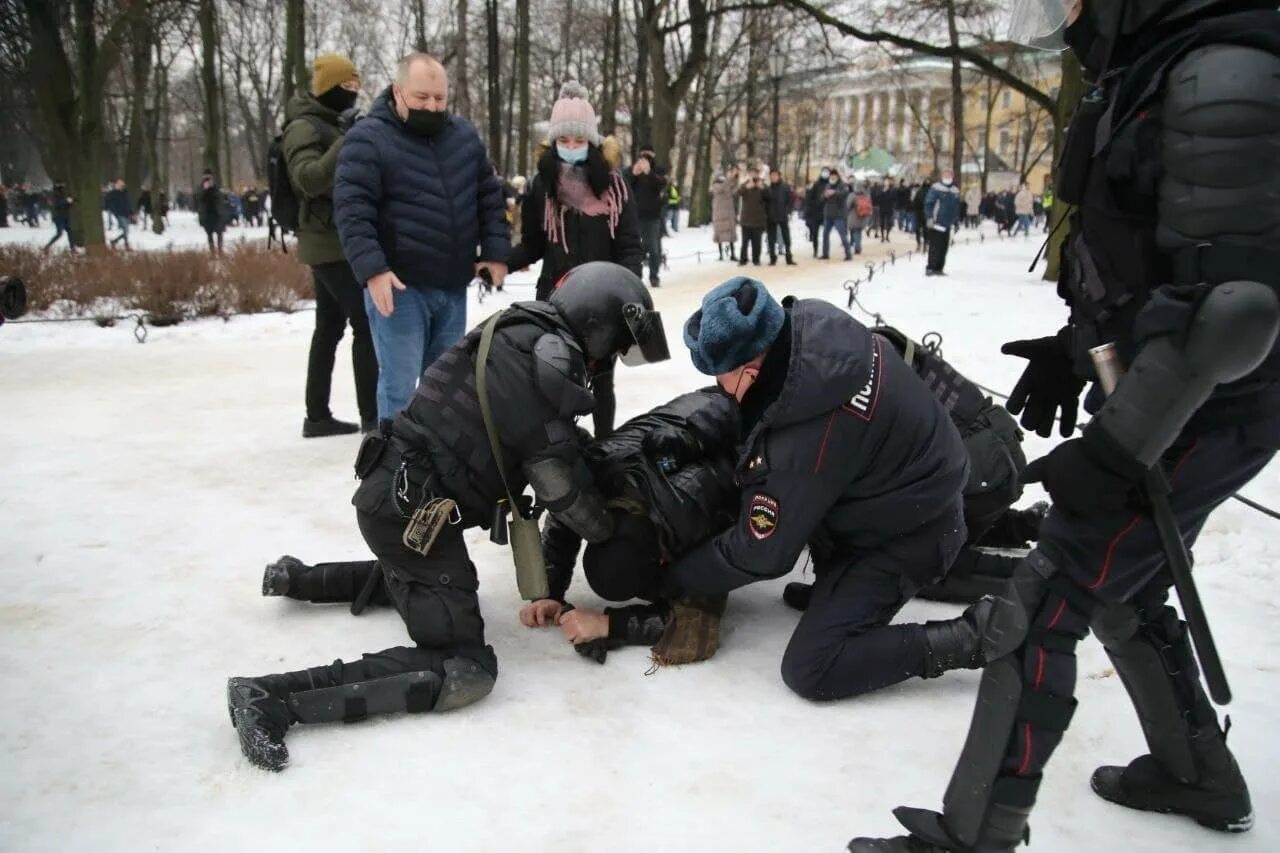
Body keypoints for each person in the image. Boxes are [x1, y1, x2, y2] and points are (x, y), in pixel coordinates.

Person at [850, 0, 1280, 849]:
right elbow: (1159, 260)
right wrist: (1078, 342)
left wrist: (1118, 450)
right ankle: (1197, 773)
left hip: (1205, 404)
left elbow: (1233, 311)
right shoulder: (1162, 57)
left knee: (1044, 599)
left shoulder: (1225, 70)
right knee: (1118, 584)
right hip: (1179, 393)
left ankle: (975, 835)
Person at [228, 263, 671, 772]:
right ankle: (272, 697)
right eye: (615, 343)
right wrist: (619, 531)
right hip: (411, 518)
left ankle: (300, 579)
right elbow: (559, 486)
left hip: (395, 502)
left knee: (419, 577)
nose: (610, 356)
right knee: (465, 667)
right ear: (599, 323)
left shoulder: (521, 332)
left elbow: (547, 438)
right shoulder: (548, 358)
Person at [669, 277, 993, 704]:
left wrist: (676, 576)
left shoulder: (803, 440)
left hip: (909, 534)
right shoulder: (813, 324)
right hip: (913, 492)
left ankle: (974, 636)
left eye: (720, 377)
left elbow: (762, 551)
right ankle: (843, 588)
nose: (720, 388)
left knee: (813, 668)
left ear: (749, 372)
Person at [335, 53, 509, 427]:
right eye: (421, 98)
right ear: (397, 92)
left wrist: (495, 251)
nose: (432, 106)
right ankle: (391, 470)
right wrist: (373, 269)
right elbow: (352, 209)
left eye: (439, 98)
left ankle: (437, 467)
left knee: (444, 389)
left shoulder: (463, 137)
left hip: (450, 284)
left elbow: (488, 196)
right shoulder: (367, 138)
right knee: (400, 389)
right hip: (399, 287)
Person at [522, 388, 741, 663]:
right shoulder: (599, 473)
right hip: (683, 419)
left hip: (738, 418)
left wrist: (609, 625)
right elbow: (566, 515)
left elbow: (696, 623)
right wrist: (549, 592)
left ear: (662, 559)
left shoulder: (697, 518)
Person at [507, 80, 644, 439]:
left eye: (578, 141)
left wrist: (629, 294)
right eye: (563, 141)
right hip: (556, 300)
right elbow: (533, 245)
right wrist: (500, 261)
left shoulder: (614, 188)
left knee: (601, 383)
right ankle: (560, 450)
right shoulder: (543, 187)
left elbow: (629, 246)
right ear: (553, 142)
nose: (570, 148)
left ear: (592, 143)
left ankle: (603, 446)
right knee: (553, 378)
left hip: (603, 302)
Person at [284, 53, 379, 438]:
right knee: (367, 324)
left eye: (357, 87)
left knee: (329, 327)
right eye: (346, 87)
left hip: (337, 239)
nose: (353, 94)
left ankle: (317, 416)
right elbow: (308, 179)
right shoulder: (303, 127)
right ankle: (373, 419)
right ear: (327, 88)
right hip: (329, 244)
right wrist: (349, 141)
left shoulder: (330, 123)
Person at [626, 143, 668, 288]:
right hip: (635, 216)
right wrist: (633, 174)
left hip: (652, 217)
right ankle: (636, 276)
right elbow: (624, 185)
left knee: (654, 249)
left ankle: (654, 276)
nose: (645, 158)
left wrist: (649, 173)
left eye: (648, 154)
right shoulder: (633, 169)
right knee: (635, 248)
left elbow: (661, 184)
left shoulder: (658, 170)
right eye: (642, 154)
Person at [923, 169, 961, 276]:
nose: (947, 175)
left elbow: (956, 208)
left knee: (944, 247)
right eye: (945, 174)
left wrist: (956, 221)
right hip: (937, 222)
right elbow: (929, 204)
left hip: (948, 224)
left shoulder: (955, 190)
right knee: (935, 246)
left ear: (952, 176)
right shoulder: (935, 188)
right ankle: (931, 268)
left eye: (949, 174)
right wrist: (929, 217)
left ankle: (939, 268)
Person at [736, 167, 768, 267]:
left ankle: (756, 259)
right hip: (746, 219)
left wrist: (763, 188)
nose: (753, 175)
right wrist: (746, 187)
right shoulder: (745, 184)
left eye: (755, 173)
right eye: (751, 173)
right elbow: (738, 193)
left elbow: (769, 197)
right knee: (744, 242)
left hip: (758, 219)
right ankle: (743, 259)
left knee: (757, 242)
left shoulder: (762, 184)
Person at [765, 168, 796, 266]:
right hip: (771, 217)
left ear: (779, 176)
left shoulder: (785, 187)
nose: (773, 177)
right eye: (772, 175)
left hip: (782, 216)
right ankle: (772, 258)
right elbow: (765, 201)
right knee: (771, 239)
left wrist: (788, 211)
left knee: (786, 238)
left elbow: (790, 200)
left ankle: (789, 257)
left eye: (775, 175)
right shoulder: (768, 188)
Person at [819, 167, 852, 261]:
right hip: (828, 214)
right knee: (825, 234)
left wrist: (834, 193)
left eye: (834, 176)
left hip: (839, 215)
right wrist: (825, 196)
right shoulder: (828, 185)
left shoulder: (842, 185)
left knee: (842, 234)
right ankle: (825, 254)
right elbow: (822, 198)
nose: (832, 177)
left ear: (837, 176)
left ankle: (848, 254)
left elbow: (845, 194)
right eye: (831, 176)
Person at [710, 168, 738, 261]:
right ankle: (721, 254)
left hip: (729, 214)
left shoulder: (726, 185)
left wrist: (735, 178)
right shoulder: (716, 186)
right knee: (720, 235)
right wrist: (730, 178)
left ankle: (733, 254)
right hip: (719, 215)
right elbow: (722, 187)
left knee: (730, 235)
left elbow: (733, 189)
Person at [197, 171, 228, 254]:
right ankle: (212, 251)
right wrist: (205, 190)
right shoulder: (200, 187)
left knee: (219, 233)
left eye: (209, 177)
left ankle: (220, 250)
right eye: (205, 177)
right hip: (206, 215)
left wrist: (213, 188)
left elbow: (220, 198)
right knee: (209, 234)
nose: (207, 179)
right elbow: (198, 199)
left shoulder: (216, 187)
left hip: (217, 214)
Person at [42, 184, 73, 253]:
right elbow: (56, 205)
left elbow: (66, 206)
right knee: (59, 233)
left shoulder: (63, 195)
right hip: (58, 217)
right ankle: (47, 246)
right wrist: (66, 201)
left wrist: (70, 202)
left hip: (65, 216)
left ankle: (72, 248)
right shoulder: (53, 195)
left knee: (70, 232)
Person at [804, 169, 828, 258]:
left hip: (827, 212)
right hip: (816, 212)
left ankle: (825, 251)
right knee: (815, 234)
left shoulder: (830, 185)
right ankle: (815, 250)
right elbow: (810, 198)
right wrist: (809, 210)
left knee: (826, 233)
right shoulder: (816, 184)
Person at [104, 179, 132, 250]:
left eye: (122, 185)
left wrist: (131, 212)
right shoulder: (113, 193)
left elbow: (127, 204)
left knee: (127, 231)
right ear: (117, 185)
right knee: (125, 230)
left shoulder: (124, 193)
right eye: (120, 185)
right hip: (119, 214)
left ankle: (114, 241)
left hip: (126, 214)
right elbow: (108, 202)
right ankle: (126, 245)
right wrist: (113, 210)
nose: (122, 186)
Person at [846, 183, 871, 256]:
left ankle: (858, 248)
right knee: (858, 232)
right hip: (863, 216)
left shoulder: (852, 195)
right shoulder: (866, 195)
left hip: (853, 216)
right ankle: (858, 245)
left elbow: (847, 205)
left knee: (855, 232)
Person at [873, 176, 897, 242]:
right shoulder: (880, 189)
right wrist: (883, 192)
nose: (886, 183)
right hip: (882, 208)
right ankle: (883, 236)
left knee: (890, 223)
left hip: (889, 208)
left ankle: (887, 236)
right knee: (882, 223)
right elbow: (877, 198)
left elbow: (894, 198)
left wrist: (889, 192)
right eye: (885, 181)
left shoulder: (892, 189)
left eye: (887, 181)